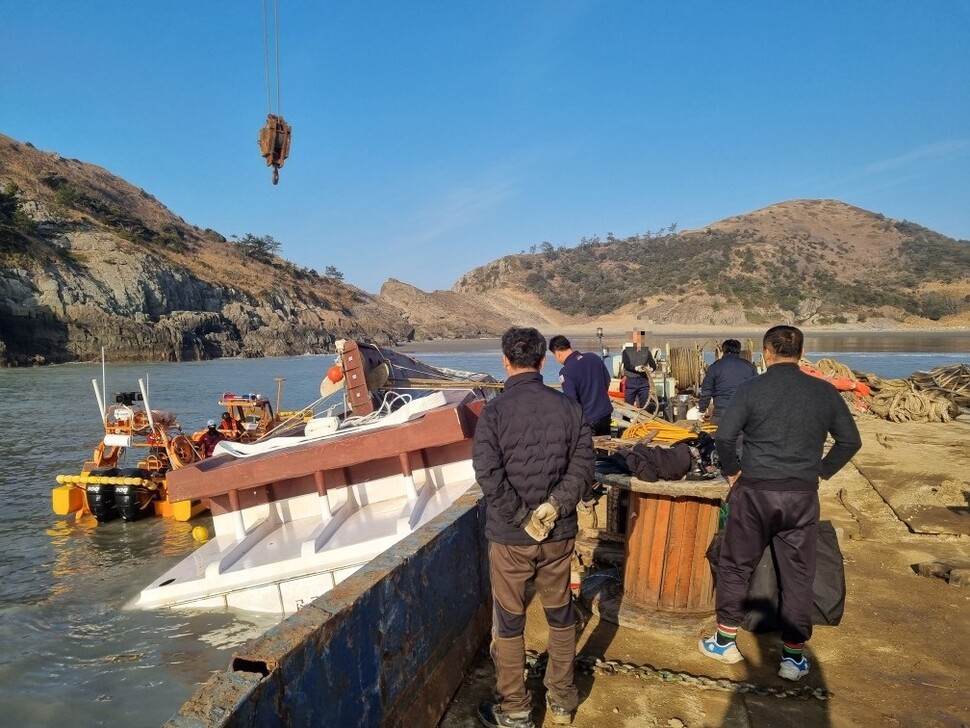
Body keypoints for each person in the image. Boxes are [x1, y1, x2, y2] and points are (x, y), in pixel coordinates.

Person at [698, 325, 861, 682]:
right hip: (801, 495)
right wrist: (822, 471)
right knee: (799, 574)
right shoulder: (824, 391)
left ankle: (725, 640)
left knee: (737, 566)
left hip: (754, 492)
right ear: (800, 353)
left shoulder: (751, 388)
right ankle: (793, 656)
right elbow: (850, 441)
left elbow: (724, 436)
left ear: (766, 353)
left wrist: (733, 471)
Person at [473, 327, 594, 728]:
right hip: (558, 535)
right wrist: (555, 506)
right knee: (560, 614)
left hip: (510, 538)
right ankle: (562, 699)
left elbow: (488, 474)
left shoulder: (494, 412)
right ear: (543, 361)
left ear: (506, 361)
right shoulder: (569, 409)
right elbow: (582, 467)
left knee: (509, 621)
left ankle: (516, 710)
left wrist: (522, 517)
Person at [548, 335, 613, 437]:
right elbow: (607, 381)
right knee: (605, 448)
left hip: (588, 418)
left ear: (558, 354)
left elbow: (571, 400)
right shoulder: (594, 357)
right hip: (605, 413)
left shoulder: (566, 372)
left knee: (589, 450)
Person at [697, 339, 758, 425]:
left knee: (717, 437)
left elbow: (706, 391)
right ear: (739, 350)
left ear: (724, 350)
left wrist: (702, 410)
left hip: (721, 413)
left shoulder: (715, 366)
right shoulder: (750, 367)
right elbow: (757, 390)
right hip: (744, 413)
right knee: (744, 438)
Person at [620, 337, 657, 409]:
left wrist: (651, 369)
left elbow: (653, 364)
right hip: (631, 381)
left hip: (644, 381)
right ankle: (627, 419)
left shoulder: (647, 352)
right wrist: (636, 368)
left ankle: (645, 419)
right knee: (628, 405)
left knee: (645, 406)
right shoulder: (626, 352)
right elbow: (626, 365)